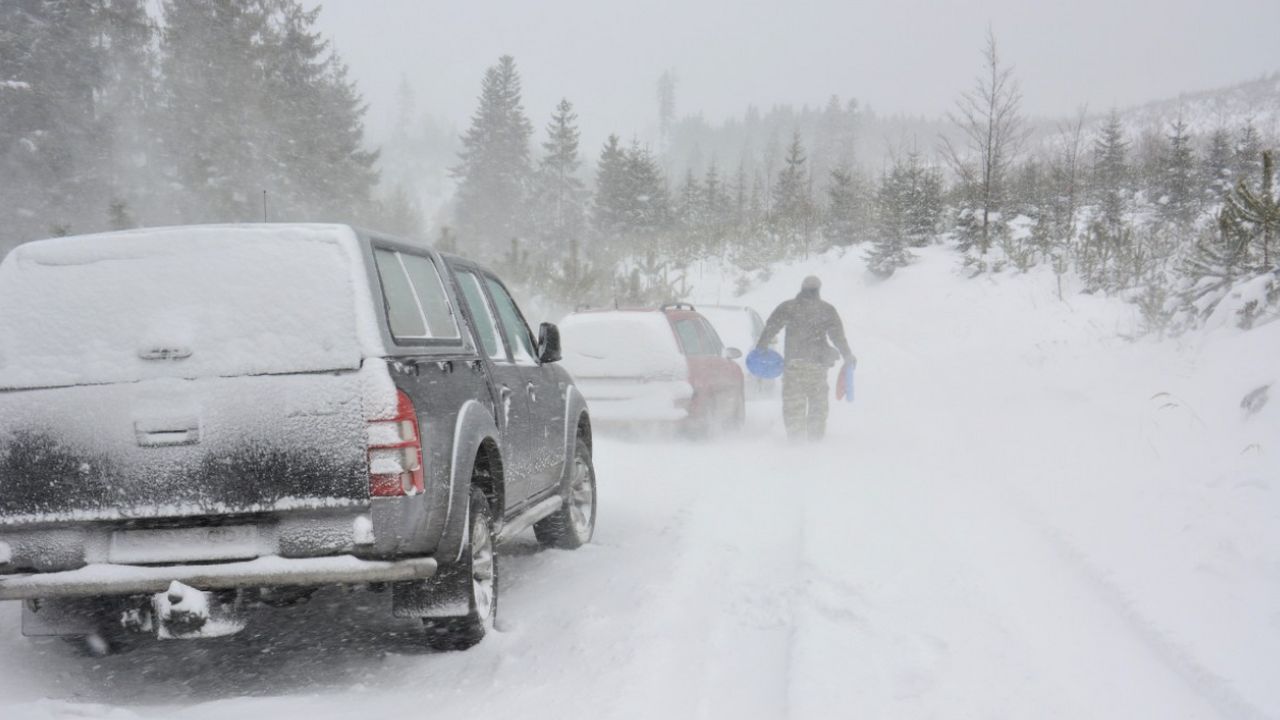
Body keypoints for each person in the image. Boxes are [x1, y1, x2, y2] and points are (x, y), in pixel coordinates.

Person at [755, 275, 856, 441]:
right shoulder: (827, 309)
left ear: (801, 289)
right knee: (818, 406)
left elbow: (772, 326)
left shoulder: (788, 307)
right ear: (818, 290)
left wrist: (762, 346)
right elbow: (838, 336)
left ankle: (796, 444)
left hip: (794, 365)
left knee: (793, 407)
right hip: (817, 366)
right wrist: (847, 354)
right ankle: (815, 442)